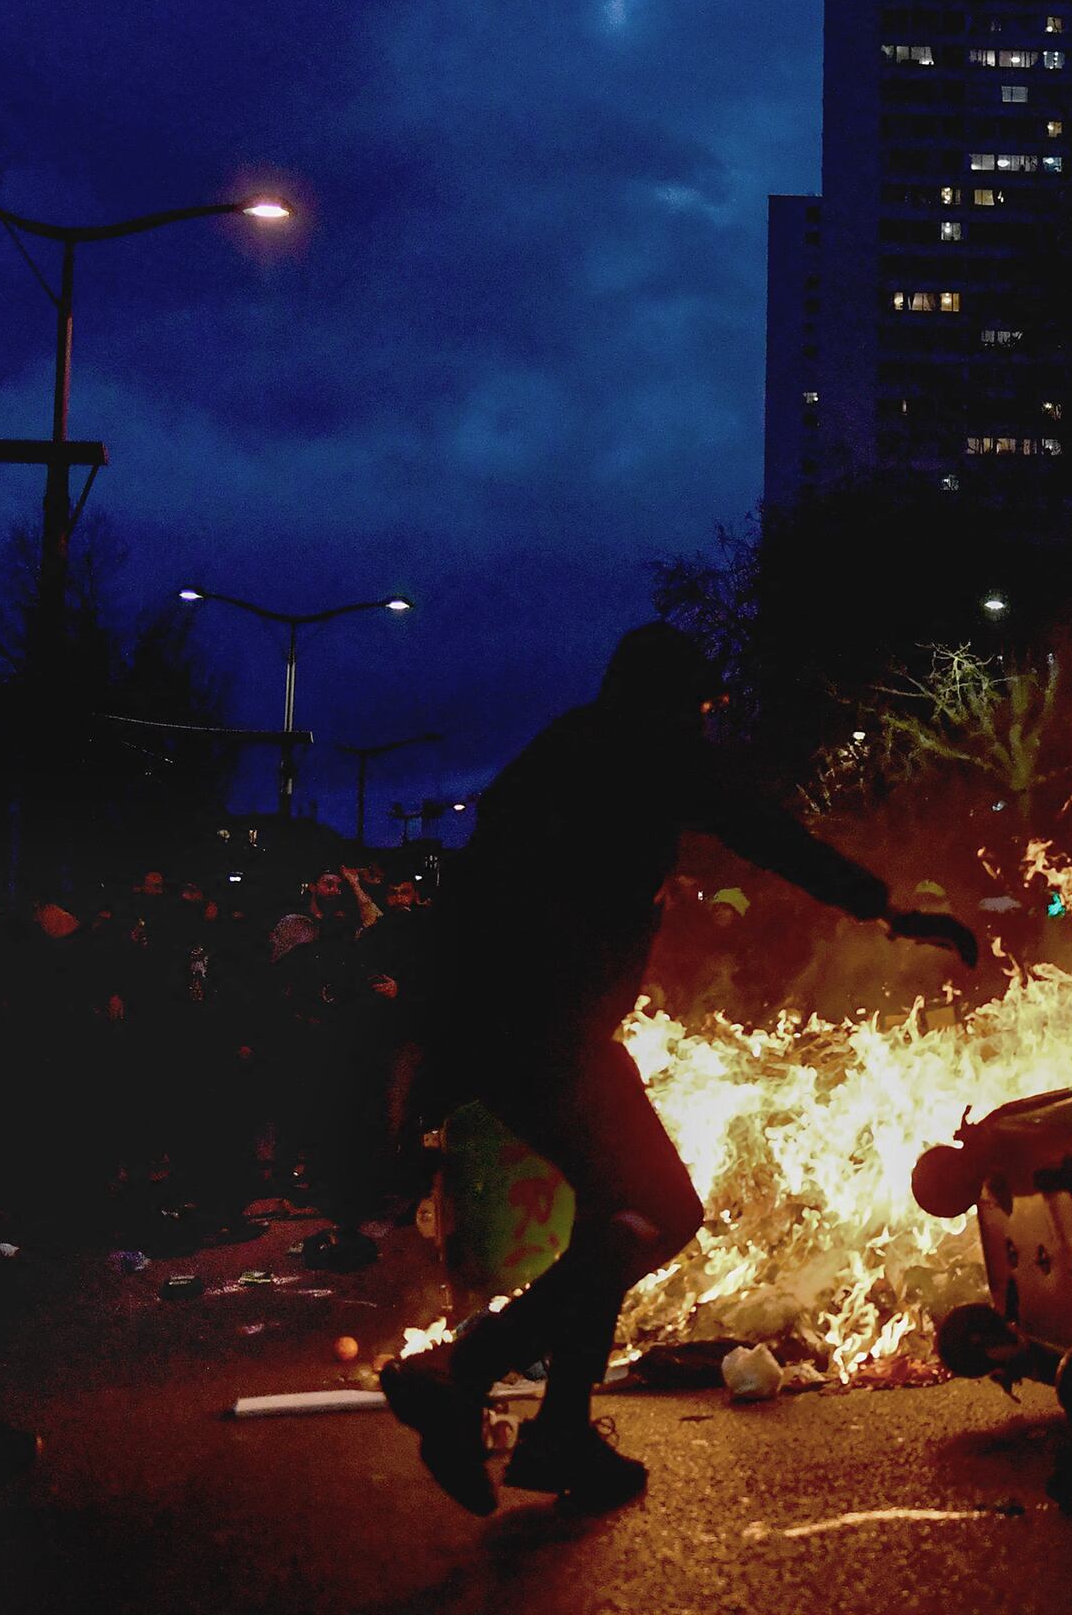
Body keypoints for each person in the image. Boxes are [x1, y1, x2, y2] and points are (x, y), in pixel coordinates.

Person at [381, 623, 974, 1517]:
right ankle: (467, 1369)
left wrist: (428, 1048)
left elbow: (467, 899)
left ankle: (561, 1427)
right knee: (664, 1210)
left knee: (614, 1211)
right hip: (552, 1032)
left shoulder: (560, 748)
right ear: (672, 701)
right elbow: (768, 833)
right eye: (701, 707)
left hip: (511, 1031)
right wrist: (886, 909)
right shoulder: (648, 751)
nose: (707, 724)